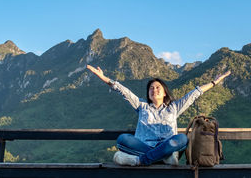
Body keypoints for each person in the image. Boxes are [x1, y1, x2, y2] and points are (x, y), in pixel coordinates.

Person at [87, 64, 232, 166]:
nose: (154, 89)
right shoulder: (141, 105)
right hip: (145, 145)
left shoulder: (174, 107)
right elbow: (123, 91)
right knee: (122, 139)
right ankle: (163, 158)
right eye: (151, 88)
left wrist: (215, 82)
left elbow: (194, 94)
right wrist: (104, 78)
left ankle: (140, 161)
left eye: (157, 87)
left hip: (167, 144)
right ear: (148, 93)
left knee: (182, 139)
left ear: (164, 92)